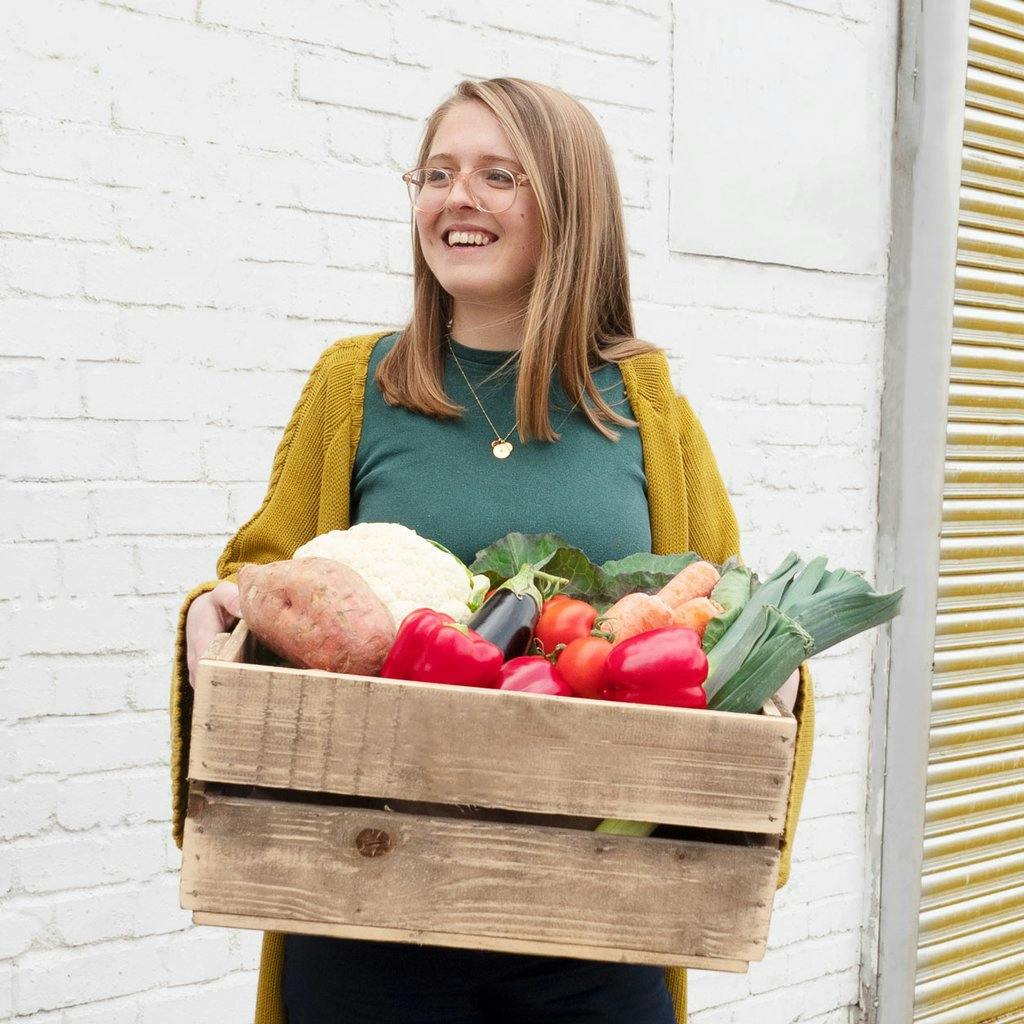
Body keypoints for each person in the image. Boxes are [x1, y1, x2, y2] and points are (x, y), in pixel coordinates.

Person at [176, 76, 811, 1024]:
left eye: (496, 175)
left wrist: (776, 674)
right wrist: (209, 608)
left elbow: (722, 595)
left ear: (571, 208)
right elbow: (266, 565)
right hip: (363, 894)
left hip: (597, 915)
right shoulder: (357, 384)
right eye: (436, 173)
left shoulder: (647, 407)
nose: (455, 198)